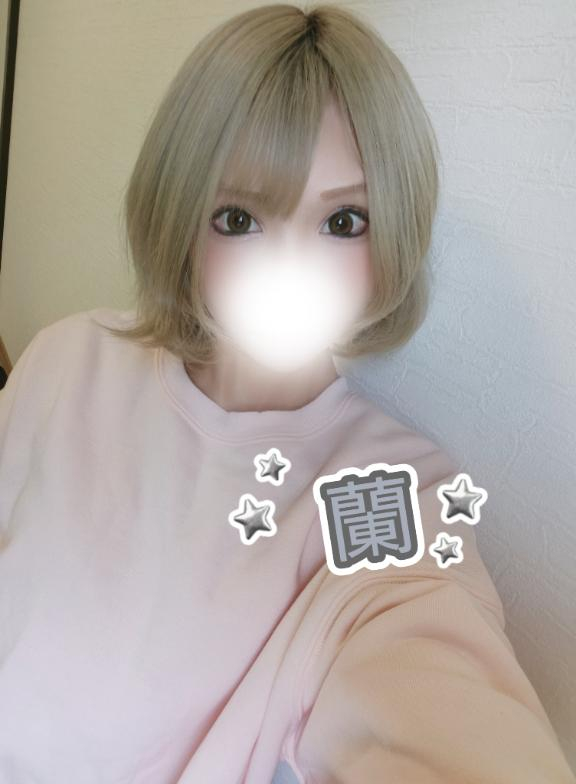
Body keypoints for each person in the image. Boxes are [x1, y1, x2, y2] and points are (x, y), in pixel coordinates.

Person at [0, 4, 574, 783]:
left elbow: (423, 665)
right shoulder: (69, 357)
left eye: (344, 221)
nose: (290, 270)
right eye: (239, 217)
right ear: (180, 217)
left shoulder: (389, 490)